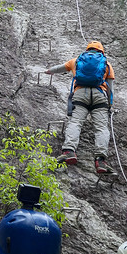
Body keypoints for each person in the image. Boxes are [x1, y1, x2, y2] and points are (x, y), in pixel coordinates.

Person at [45, 40, 114, 175]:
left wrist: (48, 71)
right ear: (101, 51)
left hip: (80, 94)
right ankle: (100, 160)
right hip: (100, 96)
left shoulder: (77, 61)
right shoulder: (106, 64)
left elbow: (60, 68)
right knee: (101, 128)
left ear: (87, 50)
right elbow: (111, 89)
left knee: (75, 122)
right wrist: (110, 105)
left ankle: (69, 151)